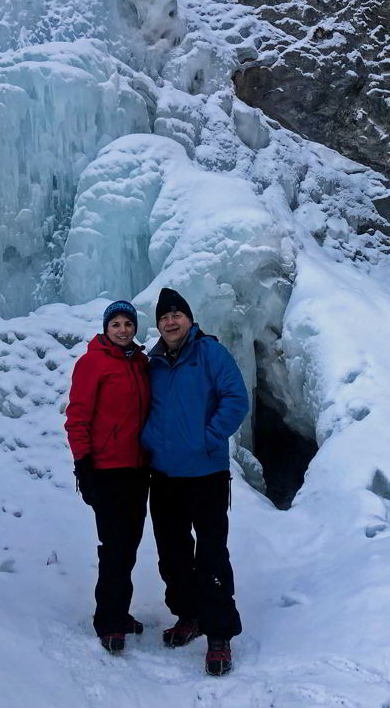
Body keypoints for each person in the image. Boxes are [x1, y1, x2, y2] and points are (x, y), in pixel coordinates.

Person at [139, 287, 250, 676]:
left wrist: (207, 438)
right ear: (158, 325)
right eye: (164, 317)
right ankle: (189, 614)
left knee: (212, 554)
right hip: (164, 474)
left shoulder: (210, 353)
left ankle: (219, 633)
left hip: (206, 473)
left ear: (189, 319)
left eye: (177, 315)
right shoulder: (151, 362)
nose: (171, 321)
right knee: (172, 553)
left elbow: (236, 399)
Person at [65, 300, 152, 654]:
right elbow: (77, 418)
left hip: (138, 469)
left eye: (127, 324)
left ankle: (120, 610)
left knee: (128, 545)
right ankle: (109, 621)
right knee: (114, 547)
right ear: (106, 328)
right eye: (115, 324)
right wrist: (83, 466)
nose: (122, 330)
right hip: (106, 470)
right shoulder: (92, 363)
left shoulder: (141, 363)